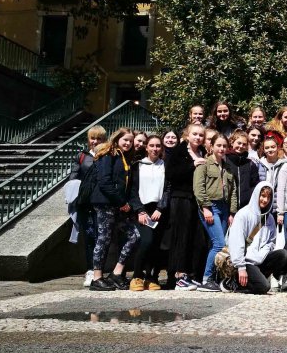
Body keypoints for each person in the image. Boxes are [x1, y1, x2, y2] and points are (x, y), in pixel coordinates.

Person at [88, 127, 140, 291]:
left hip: (117, 205)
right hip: (105, 203)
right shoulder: (107, 154)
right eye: (125, 140)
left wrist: (125, 203)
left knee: (134, 236)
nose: (128, 143)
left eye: (131, 141)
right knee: (103, 239)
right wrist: (121, 202)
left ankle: (116, 273)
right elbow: (104, 182)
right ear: (117, 139)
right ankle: (97, 278)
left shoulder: (125, 158)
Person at [224, 182, 287, 294]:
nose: (265, 200)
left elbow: (272, 241)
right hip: (246, 261)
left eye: (268, 197)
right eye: (263, 196)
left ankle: (258, 277)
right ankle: (234, 281)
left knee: (283, 254)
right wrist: (241, 267)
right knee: (264, 287)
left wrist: (263, 253)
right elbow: (236, 242)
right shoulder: (243, 214)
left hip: (260, 258)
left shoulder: (269, 218)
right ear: (256, 195)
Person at [193, 134, 238, 292]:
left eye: (224, 146)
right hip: (211, 207)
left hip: (225, 209)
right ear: (211, 147)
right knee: (219, 243)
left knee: (216, 244)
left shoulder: (229, 167)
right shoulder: (204, 165)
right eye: (218, 145)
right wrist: (206, 208)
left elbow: (233, 192)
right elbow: (199, 189)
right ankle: (207, 279)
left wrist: (232, 212)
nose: (222, 149)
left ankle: (214, 278)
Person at [166, 123, 208, 291]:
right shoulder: (178, 152)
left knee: (197, 238)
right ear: (187, 135)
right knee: (181, 237)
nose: (198, 137)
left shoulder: (203, 152)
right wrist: (193, 165)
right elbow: (170, 174)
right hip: (181, 198)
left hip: (195, 200)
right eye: (195, 134)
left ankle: (191, 275)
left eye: (200, 135)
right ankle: (180, 276)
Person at [127, 135, 170, 291]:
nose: (155, 149)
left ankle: (150, 278)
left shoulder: (165, 165)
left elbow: (168, 189)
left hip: (159, 210)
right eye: (151, 145)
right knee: (146, 241)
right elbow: (132, 190)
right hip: (143, 210)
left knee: (157, 245)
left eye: (158, 146)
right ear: (146, 147)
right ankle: (137, 276)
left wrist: (160, 208)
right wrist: (140, 211)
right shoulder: (138, 165)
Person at [69, 125, 107, 287]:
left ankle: (101, 271)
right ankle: (91, 270)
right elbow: (74, 178)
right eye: (93, 138)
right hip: (87, 204)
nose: (95, 141)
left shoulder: (108, 155)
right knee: (91, 237)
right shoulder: (82, 156)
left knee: (103, 237)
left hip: (104, 202)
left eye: (99, 138)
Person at [225, 130, 262, 210]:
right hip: (227, 206)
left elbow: (255, 184)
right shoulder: (225, 160)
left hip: (246, 207)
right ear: (232, 142)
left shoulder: (250, 164)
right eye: (239, 143)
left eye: (244, 144)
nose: (241, 146)